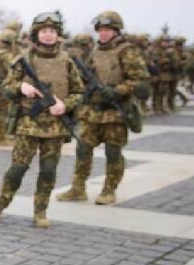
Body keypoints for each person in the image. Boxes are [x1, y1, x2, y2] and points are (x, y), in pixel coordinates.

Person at [0, 12, 83, 228]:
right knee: (17, 170)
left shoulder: (67, 61)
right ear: (36, 34)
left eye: (52, 31)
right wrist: (21, 87)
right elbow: (5, 88)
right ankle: (1, 204)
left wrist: (64, 105)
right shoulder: (24, 60)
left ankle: (40, 211)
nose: (48, 35)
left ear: (58, 34)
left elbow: (79, 92)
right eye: (44, 31)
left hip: (55, 127)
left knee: (48, 171)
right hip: (28, 125)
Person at [56, 11, 149, 205]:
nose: (104, 34)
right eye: (101, 30)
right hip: (92, 111)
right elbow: (85, 77)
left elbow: (141, 82)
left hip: (115, 111)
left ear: (116, 31)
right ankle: (78, 188)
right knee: (83, 148)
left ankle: (109, 189)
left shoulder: (127, 51)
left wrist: (116, 91)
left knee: (113, 151)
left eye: (108, 30)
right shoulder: (95, 50)